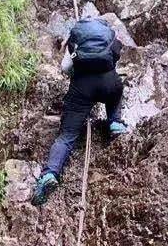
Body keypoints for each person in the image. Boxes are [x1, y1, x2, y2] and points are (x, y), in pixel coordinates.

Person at [33, 15, 128, 206]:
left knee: (66, 135)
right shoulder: (109, 37)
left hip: (82, 89)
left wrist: (78, 74)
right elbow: (115, 59)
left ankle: (50, 174)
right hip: (110, 83)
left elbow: (65, 67)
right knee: (116, 90)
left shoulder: (75, 40)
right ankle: (115, 122)